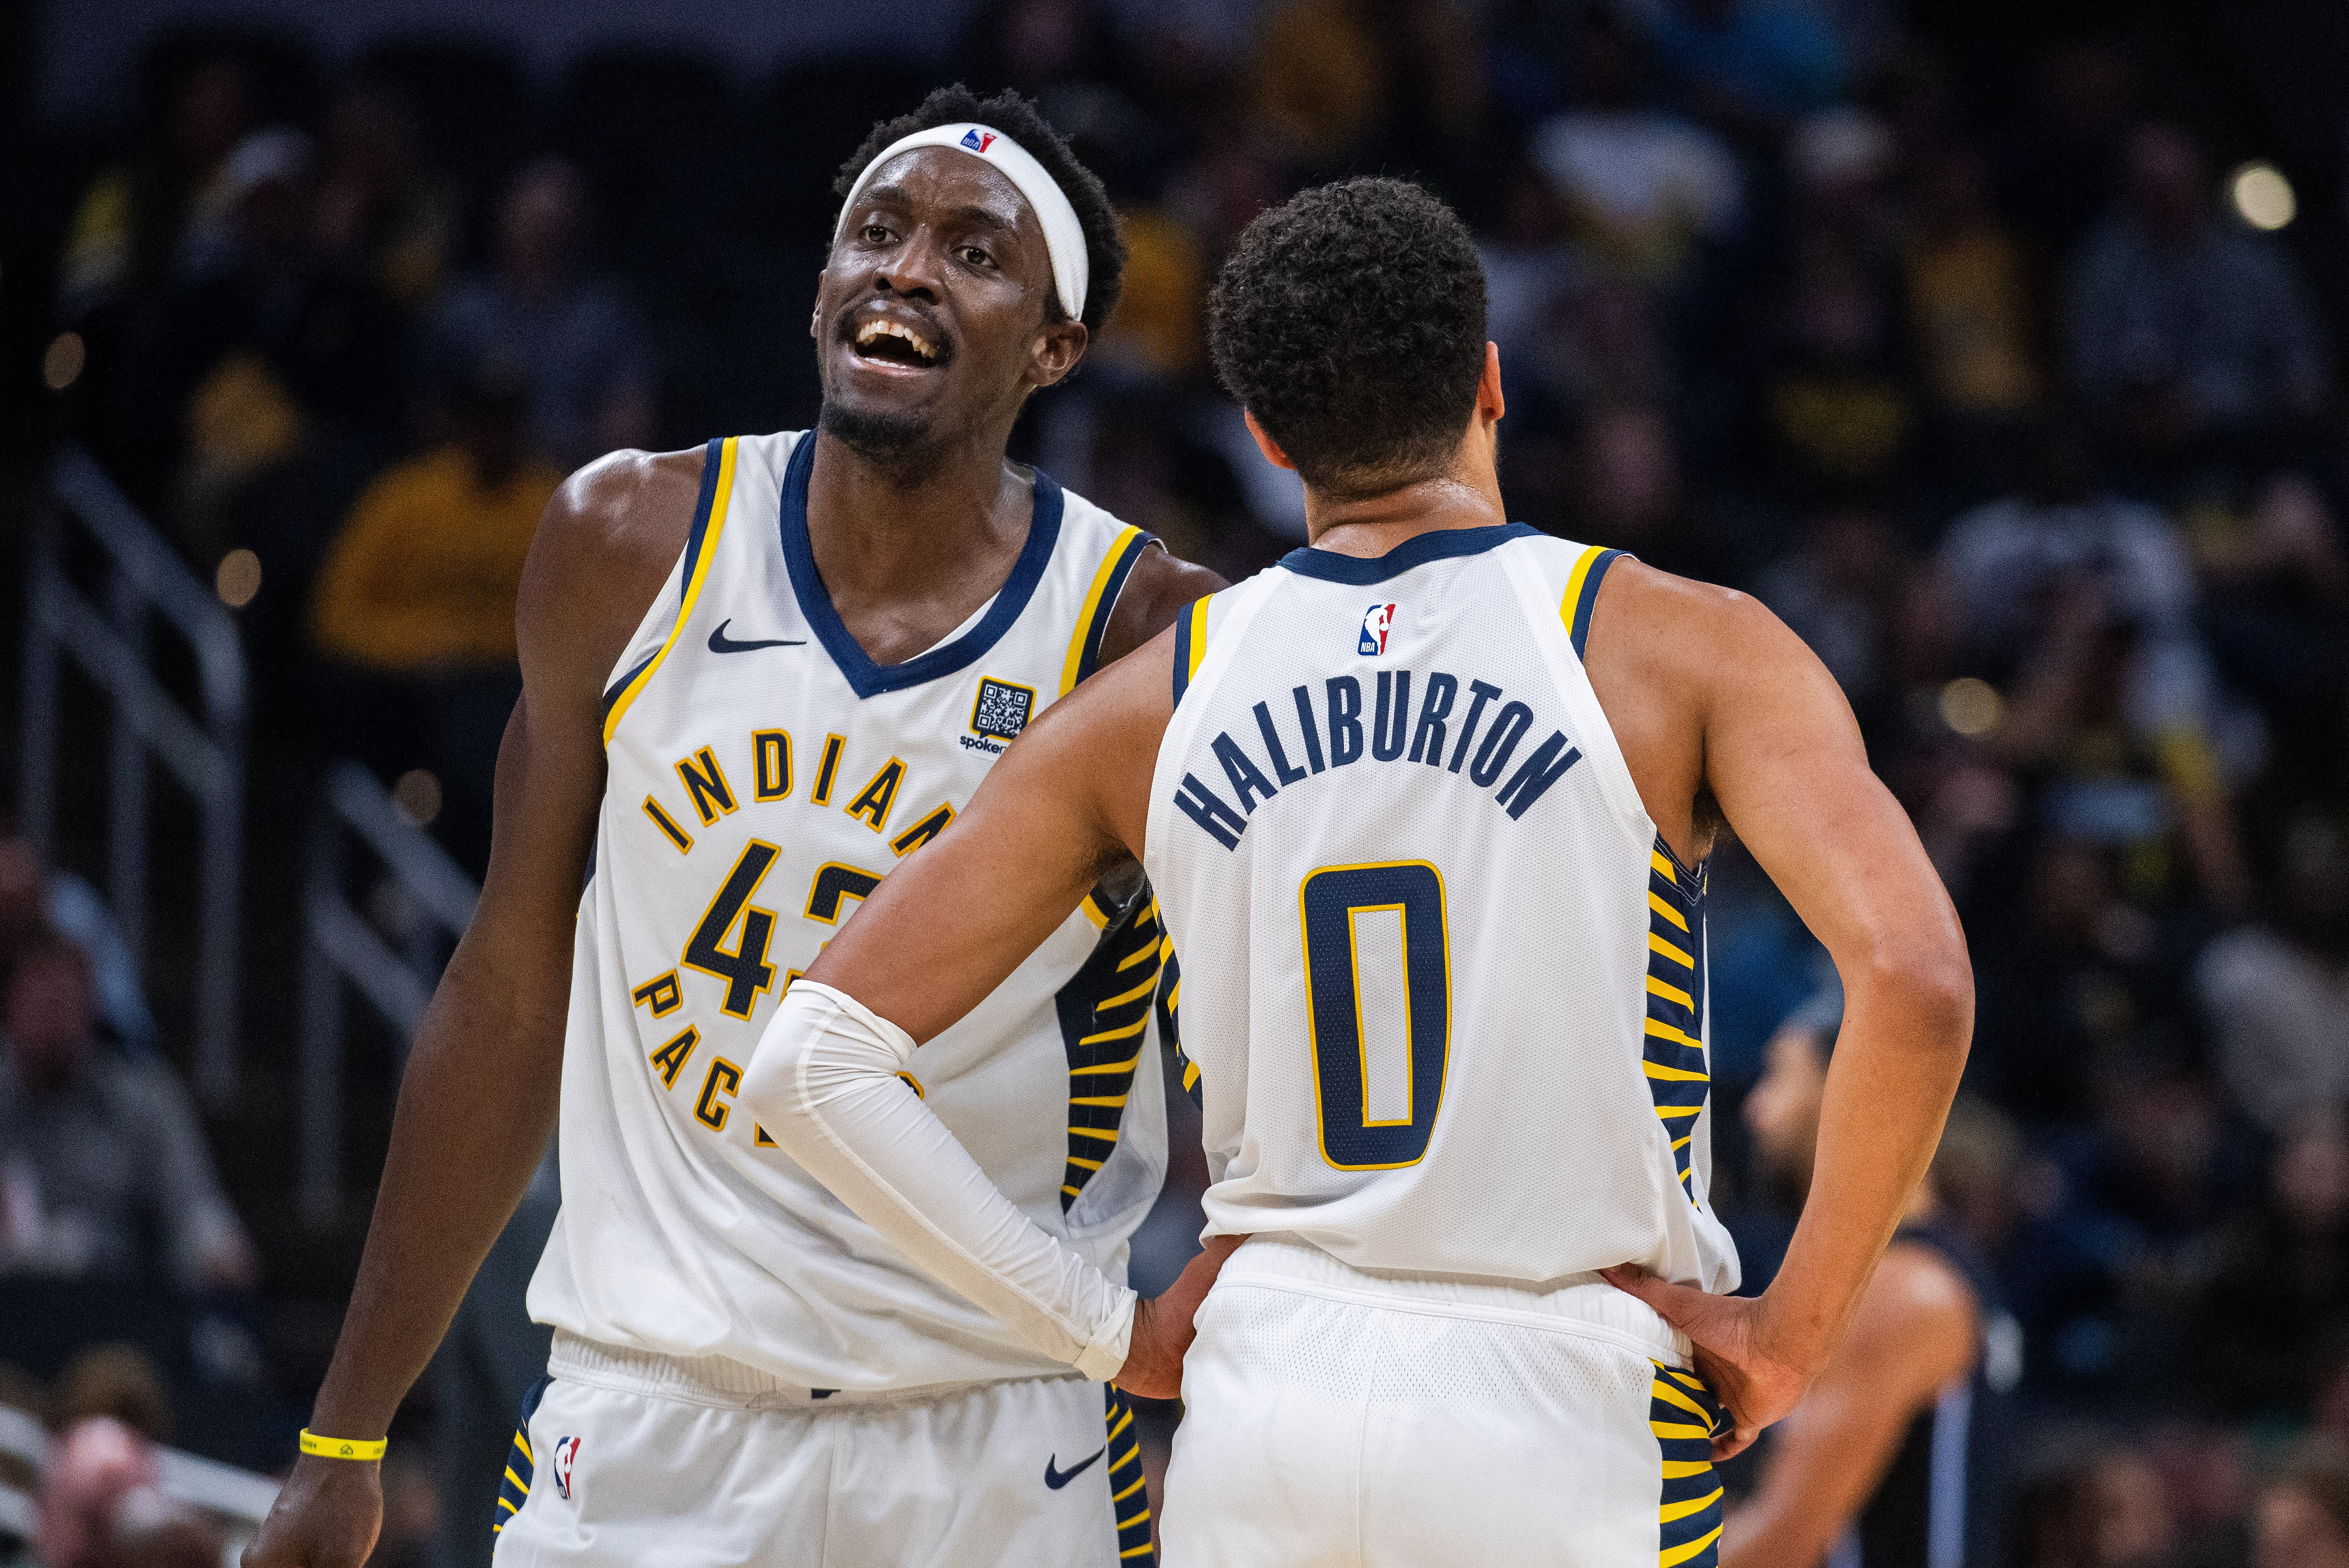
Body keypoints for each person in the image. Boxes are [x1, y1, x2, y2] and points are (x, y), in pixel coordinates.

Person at [741, 176, 1973, 1565]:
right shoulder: (1682, 646)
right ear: (1491, 385)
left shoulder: (1150, 702)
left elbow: (814, 1062)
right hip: (1567, 1390)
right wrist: (1792, 1334)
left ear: (1268, 437)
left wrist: (1103, 1327)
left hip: (1268, 1398)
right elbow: (1916, 981)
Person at [242, 86, 1221, 1568]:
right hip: (651, 1417)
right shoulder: (627, 543)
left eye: (974, 251)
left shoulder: (1147, 632)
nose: (905, 269)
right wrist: (342, 1433)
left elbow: (1261, 1036)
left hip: (996, 1438)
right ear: (822, 286)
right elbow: (507, 995)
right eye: (875, 234)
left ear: (1056, 345)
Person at [1722, 1016, 2018, 1567]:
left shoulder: (1903, 1289)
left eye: (1779, 1079)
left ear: (1848, 1091)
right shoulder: (1942, 1268)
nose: (1755, 1111)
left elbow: (1781, 1540)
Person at [0, 930, 253, 1292]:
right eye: (41, 1005)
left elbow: (195, 1208)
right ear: (9, 1009)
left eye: (65, 1004)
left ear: (92, 1010)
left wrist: (217, 1247)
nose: (53, 1023)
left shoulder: (144, 1100)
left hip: (121, 1319)